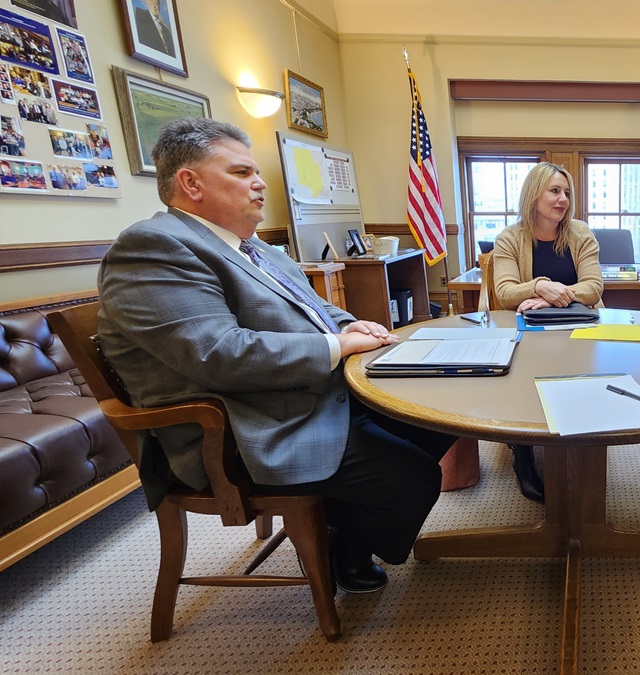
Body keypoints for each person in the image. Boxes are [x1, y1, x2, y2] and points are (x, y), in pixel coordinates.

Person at [97, 118, 455, 594]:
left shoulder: (255, 247)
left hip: (306, 399)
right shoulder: (153, 248)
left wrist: (348, 324)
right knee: (412, 479)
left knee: (436, 415)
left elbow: (316, 306)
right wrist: (337, 346)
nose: (261, 182)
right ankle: (343, 554)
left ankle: (339, 517)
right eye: (243, 172)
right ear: (191, 183)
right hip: (242, 430)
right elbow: (218, 353)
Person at [491, 162, 604, 502]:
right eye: (554, 191)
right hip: (527, 331)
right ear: (533, 194)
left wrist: (553, 298)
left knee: (584, 374)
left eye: (567, 192)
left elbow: (594, 287)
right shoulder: (509, 238)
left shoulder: (581, 233)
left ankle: (583, 444)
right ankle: (522, 451)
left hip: (577, 328)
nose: (563, 199)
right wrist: (541, 285)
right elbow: (506, 293)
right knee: (524, 374)